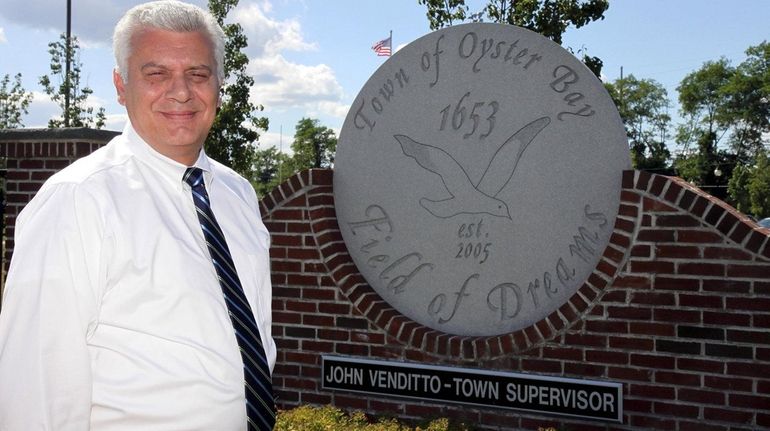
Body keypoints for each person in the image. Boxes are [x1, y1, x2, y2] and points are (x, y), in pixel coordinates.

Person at [0, 1, 276, 430]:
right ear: (120, 84)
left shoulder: (237, 195)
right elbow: (34, 386)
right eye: (156, 74)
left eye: (198, 74)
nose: (181, 92)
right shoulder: (78, 201)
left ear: (219, 84)